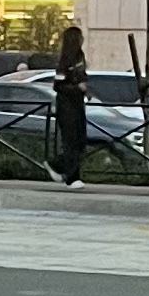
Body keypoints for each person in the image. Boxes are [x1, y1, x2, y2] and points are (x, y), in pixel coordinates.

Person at [49, 25, 91, 190]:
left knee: (79, 140)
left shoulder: (80, 57)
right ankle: (68, 174)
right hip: (66, 105)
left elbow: (81, 76)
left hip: (77, 104)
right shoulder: (66, 60)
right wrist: (77, 88)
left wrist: (85, 89)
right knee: (71, 141)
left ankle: (66, 171)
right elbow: (58, 85)